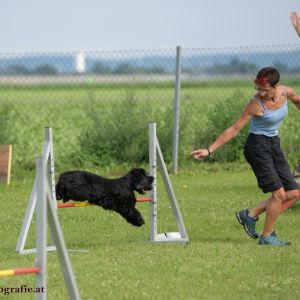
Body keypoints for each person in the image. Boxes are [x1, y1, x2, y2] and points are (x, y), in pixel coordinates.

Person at [190, 67, 300, 246]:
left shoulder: (286, 92)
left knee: (292, 192)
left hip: (274, 144)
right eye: (258, 89)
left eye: (265, 89)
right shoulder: (255, 104)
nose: (261, 93)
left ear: (276, 86)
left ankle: (249, 214)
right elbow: (234, 129)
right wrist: (209, 150)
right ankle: (267, 236)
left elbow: (298, 101)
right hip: (257, 147)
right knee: (279, 194)